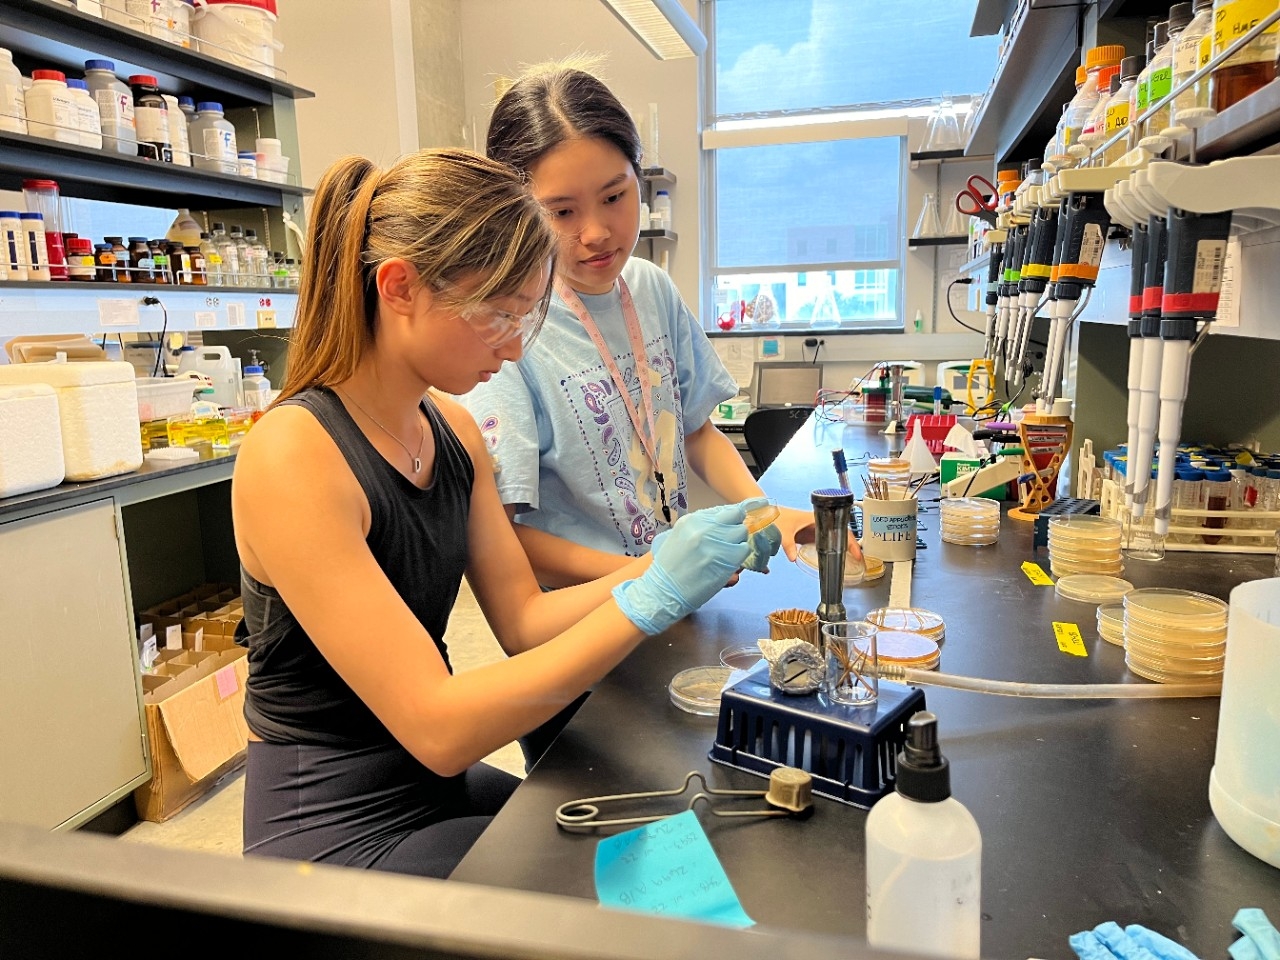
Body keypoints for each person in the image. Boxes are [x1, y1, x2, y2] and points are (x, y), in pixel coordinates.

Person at [231, 147, 762, 879]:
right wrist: (651, 598)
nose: (513, 349)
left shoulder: (450, 430)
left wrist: (662, 567)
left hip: (430, 783)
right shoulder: (294, 453)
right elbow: (439, 725)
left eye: (525, 318)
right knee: (622, 892)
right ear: (399, 287)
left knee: (659, 852)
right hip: (333, 822)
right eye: (497, 316)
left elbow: (523, 620)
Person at [459, 59, 824, 592]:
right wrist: (654, 574)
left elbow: (695, 430)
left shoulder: (649, 288)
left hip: (671, 598)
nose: (596, 233)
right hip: (584, 614)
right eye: (561, 212)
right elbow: (503, 536)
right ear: (516, 212)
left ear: (640, 179)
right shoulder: (512, 332)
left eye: (614, 197)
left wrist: (764, 512)